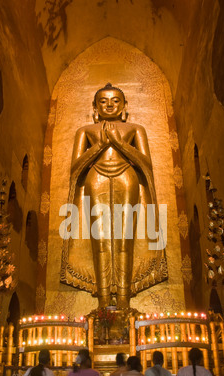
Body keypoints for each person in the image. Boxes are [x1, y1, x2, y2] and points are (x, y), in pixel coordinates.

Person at [60, 83, 168, 310]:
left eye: (116, 100)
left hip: (126, 179)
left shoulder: (135, 129)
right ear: (95, 107)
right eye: (103, 100)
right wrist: (99, 144)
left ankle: (123, 304)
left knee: (124, 240)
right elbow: (75, 168)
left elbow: (146, 164)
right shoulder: (85, 131)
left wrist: (119, 143)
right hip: (95, 179)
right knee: (99, 240)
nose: (109, 104)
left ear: (124, 105)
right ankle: (102, 307)